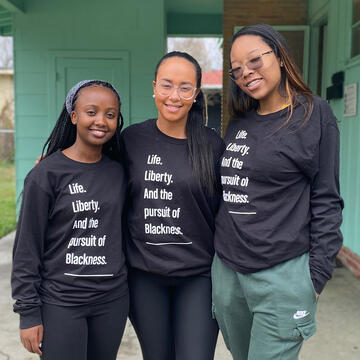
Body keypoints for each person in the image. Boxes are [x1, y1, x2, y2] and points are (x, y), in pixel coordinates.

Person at [211, 24, 344, 360]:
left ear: (280, 56)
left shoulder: (315, 115)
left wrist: (314, 280)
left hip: (282, 274)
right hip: (228, 272)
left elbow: (327, 199)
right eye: (237, 69)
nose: (246, 73)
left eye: (255, 60)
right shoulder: (240, 121)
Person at [11, 80, 129, 360]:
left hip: (112, 301)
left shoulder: (120, 172)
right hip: (60, 302)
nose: (101, 121)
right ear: (73, 116)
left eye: (110, 114)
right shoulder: (46, 175)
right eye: (91, 112)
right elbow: (27, 249)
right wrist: (28, 312)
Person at [120, 51, 224, 360]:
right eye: (166, 85)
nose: (173, 96)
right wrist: (56, 164)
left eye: (184, 87)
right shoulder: (131, 139)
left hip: (199, 276)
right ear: (154, 87)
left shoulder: (212, 145)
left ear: (195, 94)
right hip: (144, 276)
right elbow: (99, 178)